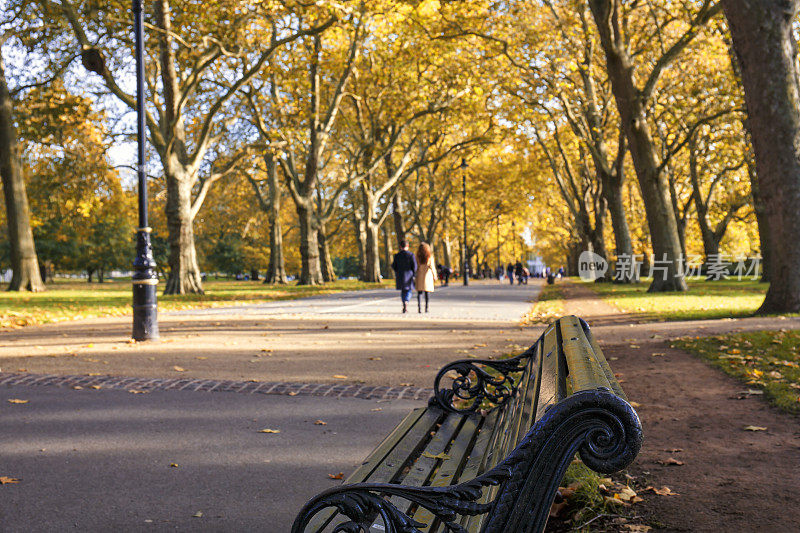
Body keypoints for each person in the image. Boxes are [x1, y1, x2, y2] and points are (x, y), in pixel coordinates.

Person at [391, 239, 417, 313]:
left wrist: (397, 271)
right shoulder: (411, 255)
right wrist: (413, 273)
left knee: (403, 291)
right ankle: (406, 301)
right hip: (409, 275)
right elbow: (414, 266)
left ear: (400, 247)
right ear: (407, 246)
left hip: (400, 275)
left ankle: (403, 302)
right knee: (409, 290)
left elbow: (393, 266)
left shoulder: (397, 255)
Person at [415, 242, 438, 313]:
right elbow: (432, 266)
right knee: (427, 292)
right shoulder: (429, 256)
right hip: (427, 275)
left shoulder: (417, 256)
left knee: (419, 292)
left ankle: (419, 308)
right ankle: (426, 307)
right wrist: (435, 275)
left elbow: (415, 266)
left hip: (419, 274)